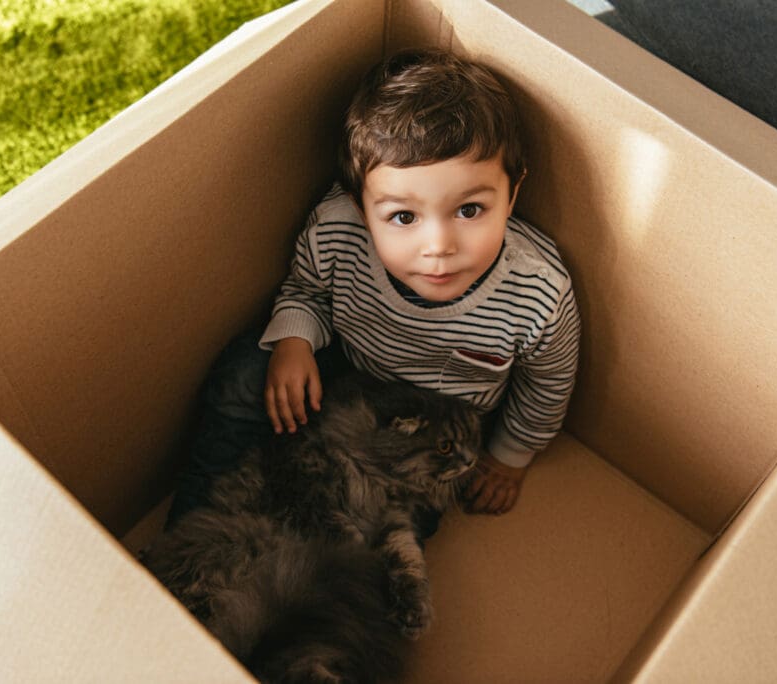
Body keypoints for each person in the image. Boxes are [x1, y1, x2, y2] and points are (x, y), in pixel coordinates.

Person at [168, 47, 580, 529]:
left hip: (440, 427)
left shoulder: (538, 292)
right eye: (403, 217)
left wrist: (510, 458)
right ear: (361, 209)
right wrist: (295, 341)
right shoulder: (336, 231)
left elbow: (547, 386)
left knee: (392, 521)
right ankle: (192, 525)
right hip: (348, 377)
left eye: (469, 210)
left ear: (513, 192)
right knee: (244, 371)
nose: (439, 245)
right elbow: (307, 289)